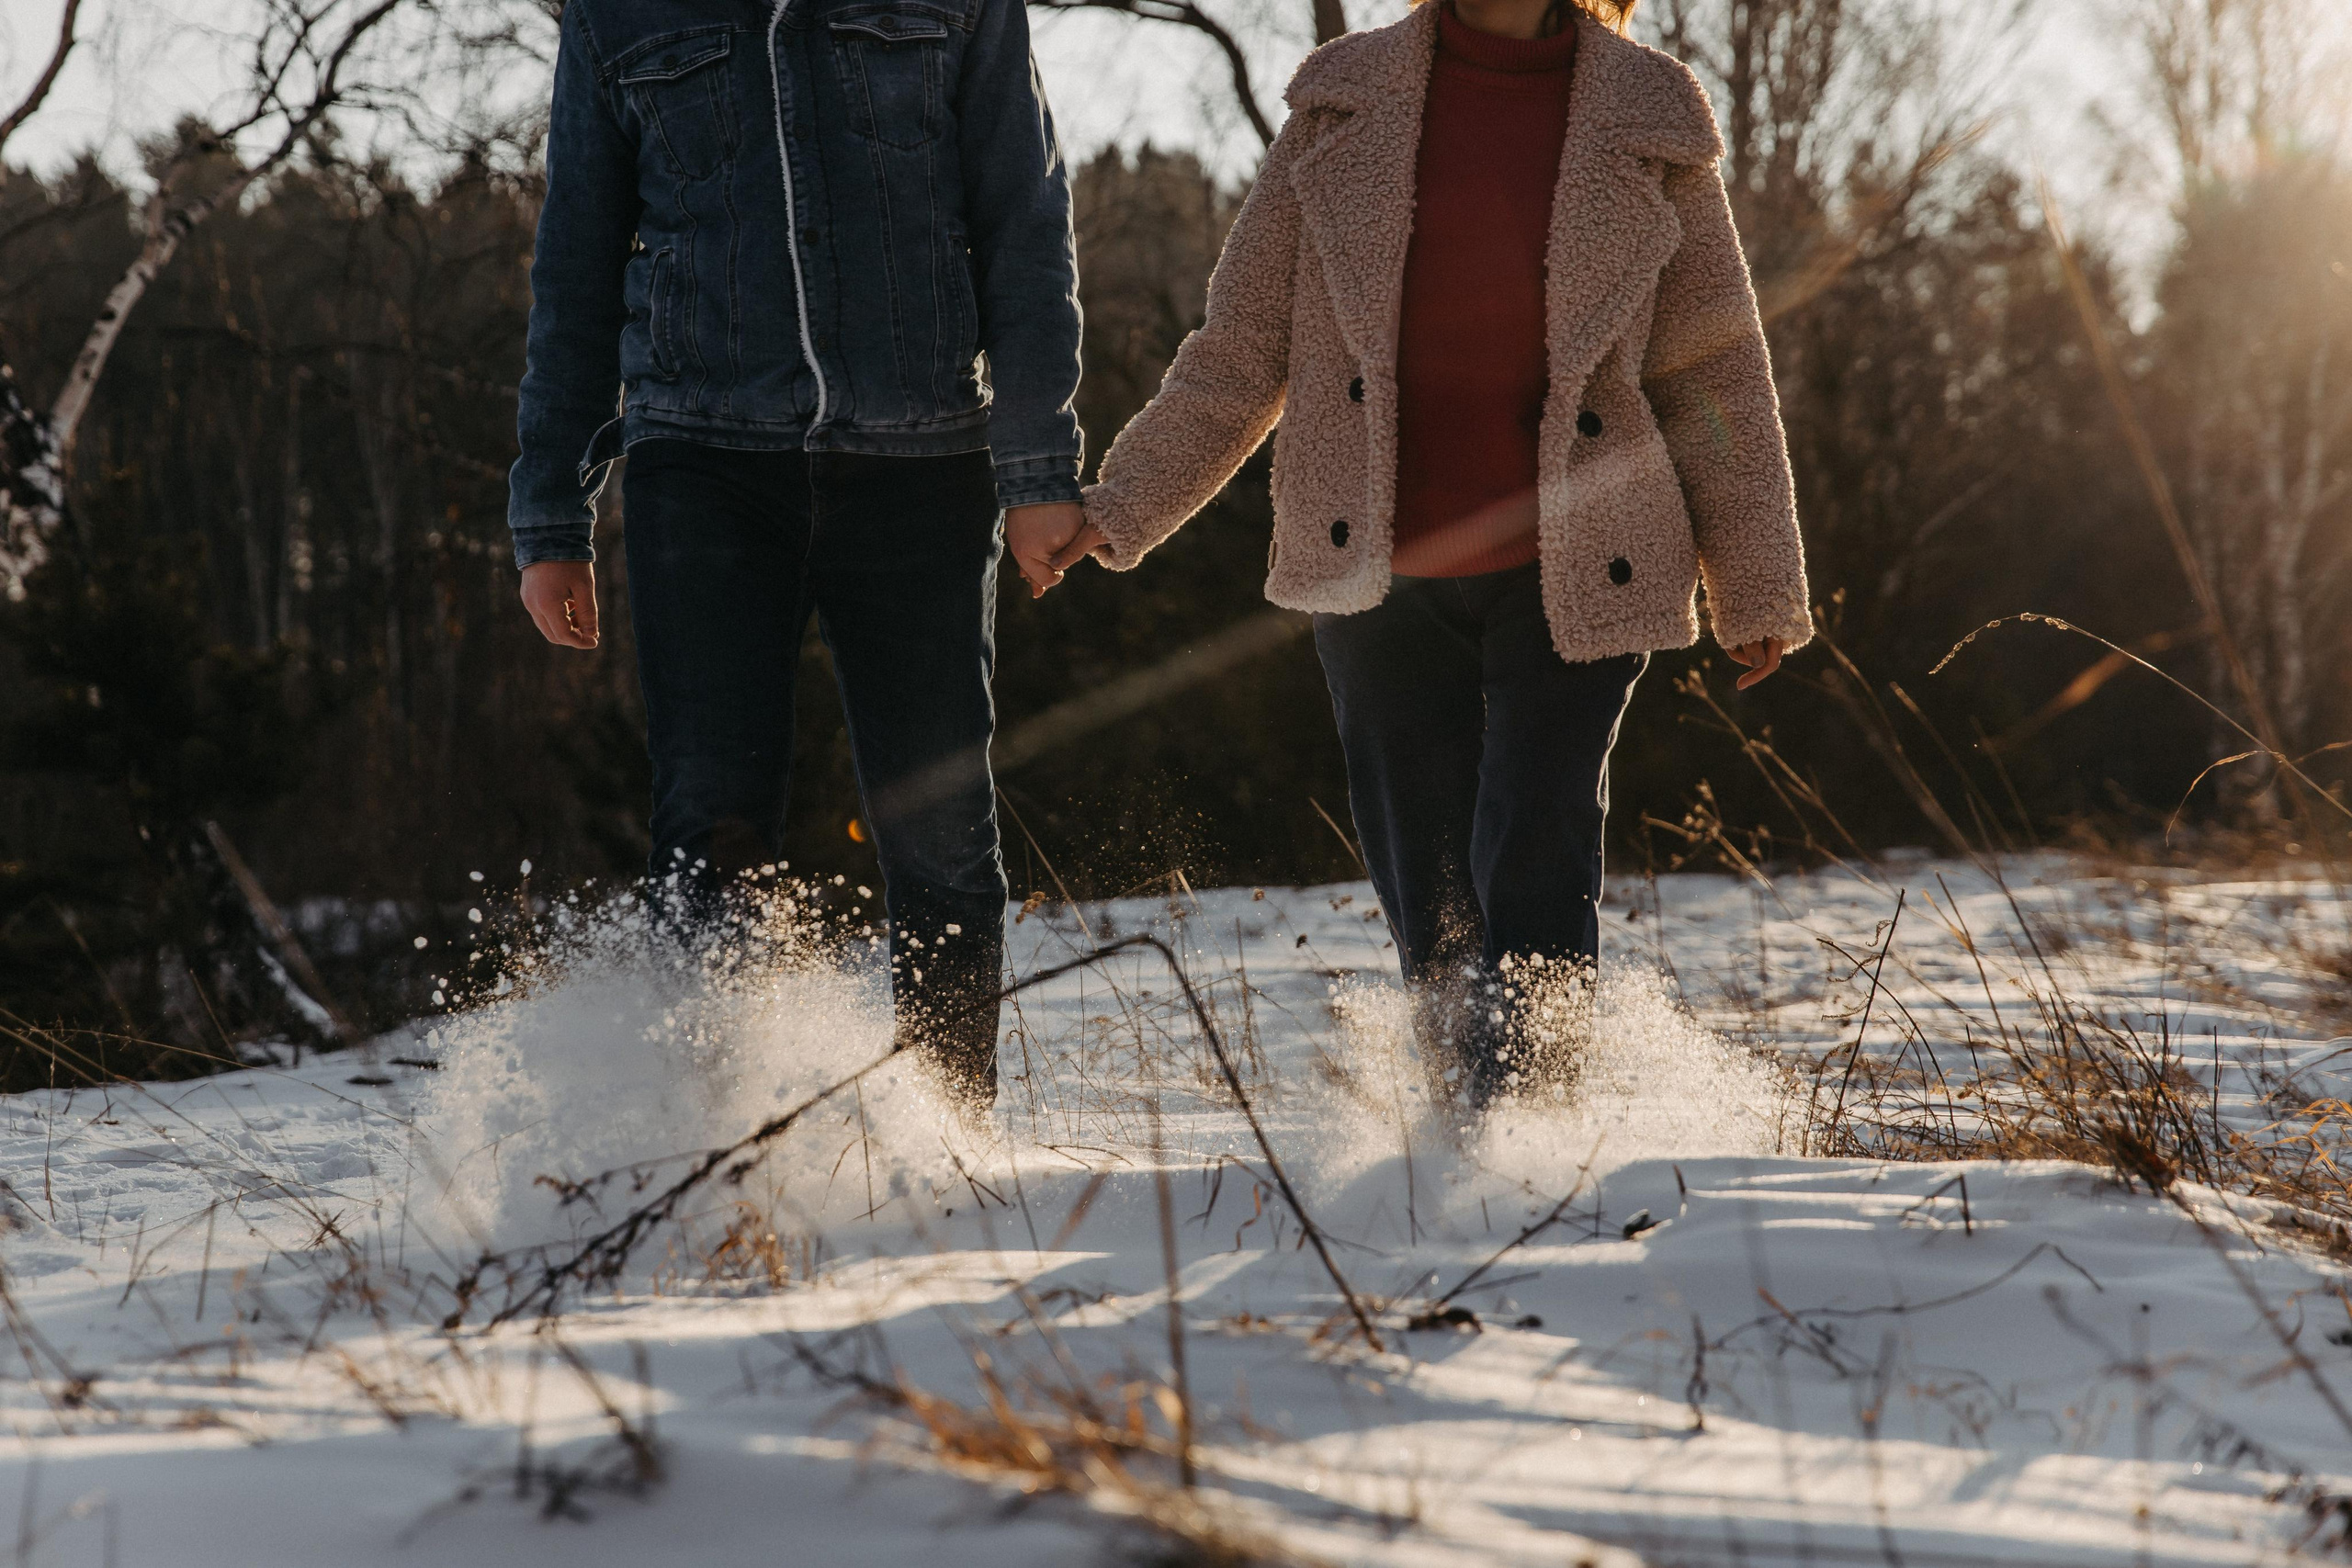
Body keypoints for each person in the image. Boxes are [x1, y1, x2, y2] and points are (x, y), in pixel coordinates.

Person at [1010, 0, 1809, 1107]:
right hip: (1373, 566)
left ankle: (1533, 1142)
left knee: (1533, 856)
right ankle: (1456, 1141)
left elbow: (1713, 376)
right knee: (1428, 891)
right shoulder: (1342, 102)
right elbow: (1242, 349)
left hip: (1581, 562)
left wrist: (1755, 573)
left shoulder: (1649, 113)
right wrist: (1122, 502)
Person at [508, 0, 1088, 1105]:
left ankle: (951, 1139)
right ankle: (709, 1152)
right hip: (701, 464)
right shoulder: (612, 16)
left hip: (922, 460)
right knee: (709, 818)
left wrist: (1036, 471)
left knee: (941, 831)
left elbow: (1025, 220)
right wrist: (549, 513)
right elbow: (573, 264)